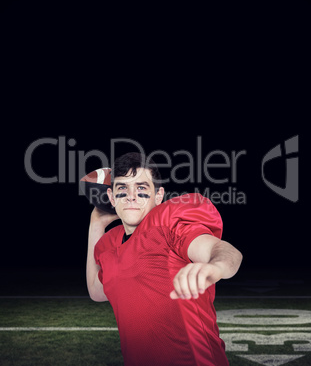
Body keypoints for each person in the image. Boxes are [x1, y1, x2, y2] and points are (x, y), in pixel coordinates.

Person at [86, 152, 243, 366]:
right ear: (112, 198)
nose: (131, 195)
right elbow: (97, 290)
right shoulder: (109, 244)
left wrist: (216, 267)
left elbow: (222, 250)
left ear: (158, 196)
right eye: (122, 188)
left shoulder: (168, 224)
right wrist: (96, 224)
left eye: (141, 188)